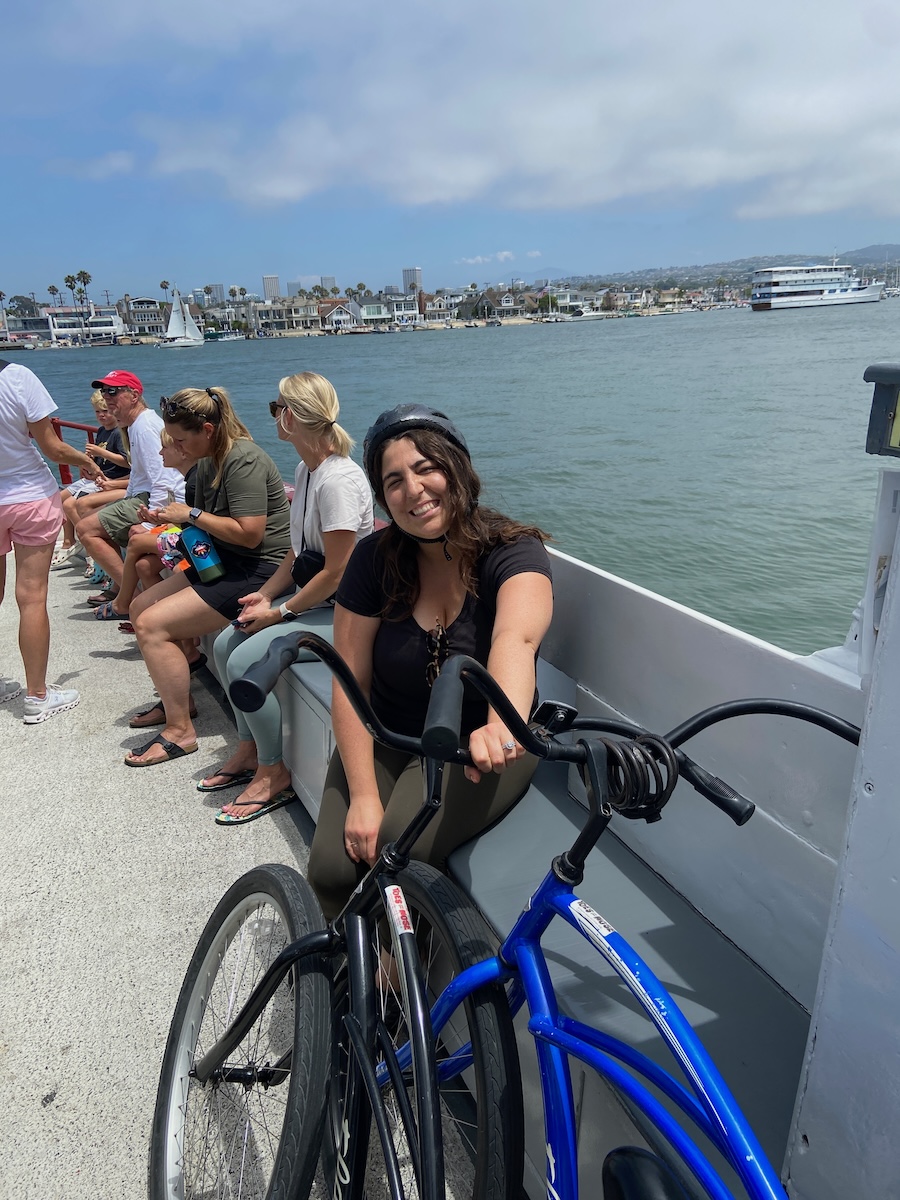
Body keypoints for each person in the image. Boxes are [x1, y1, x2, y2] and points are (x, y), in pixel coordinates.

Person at [307, 405, 553, 919]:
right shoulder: (373, 560)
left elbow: (516, 640)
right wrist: (364, 795)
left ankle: (411, 980)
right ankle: (348, 980)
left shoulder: (511, 552)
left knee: (402, 848)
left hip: (480, 743)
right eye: (394, 481)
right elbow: (349, 675)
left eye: (426, 469)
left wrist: (499, 725)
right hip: (386, 730)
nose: (413, 490)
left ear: (457, 469)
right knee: (332, 865)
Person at [204, 372, 374, 824]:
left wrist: (279, 613)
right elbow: (299, 552)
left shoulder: (338, 481)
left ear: (291, 417)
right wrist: (264, 594)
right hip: (314, 600)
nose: (274, 416)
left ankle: (272, 769)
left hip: (347, 615)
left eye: (275, 407)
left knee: (243, 660)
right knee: (225, 643)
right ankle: (248, 747)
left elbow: (338, 571)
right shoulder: (306, 470)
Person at [124, 386, 292, 767]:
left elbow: (251, 534)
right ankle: (177, 703)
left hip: (260, 569)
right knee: (139, 607)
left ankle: (180, 732)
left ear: (207, 429)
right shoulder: (207, 464)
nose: (178, 446)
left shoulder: (242, 459)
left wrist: (190, 516)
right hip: (222, 561)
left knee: (151, 625)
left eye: (182, 439)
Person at [0, 359, 101, 721]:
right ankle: (37, 697)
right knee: (31, 599)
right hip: (29, 496)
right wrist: (84, 462)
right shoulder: (16, 377)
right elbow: (52, 447)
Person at [75, 370, 184, 593]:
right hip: (140, 496)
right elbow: (137, 475)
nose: (107, 397)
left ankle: (129, 596)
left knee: (85, 528)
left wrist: (150, 523)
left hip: (152, 500)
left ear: (134, 396)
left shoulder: (144, 428)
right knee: (89, 515)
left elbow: (163, 478)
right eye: (104, 391)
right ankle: (120, 589)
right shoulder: (135, 425)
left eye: (113, 391)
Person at [53, 390, 130, 568]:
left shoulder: (118, 433)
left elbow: (127, 463)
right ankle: (70, 541)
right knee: (58, 499)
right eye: (97, 412)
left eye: (105, 411)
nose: (102, 415)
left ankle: (89, 549)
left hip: (111, 480)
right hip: (95, 477)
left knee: (69, 505)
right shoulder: (102, 431)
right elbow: (101, 460)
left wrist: (100, 452)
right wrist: (88, 462)